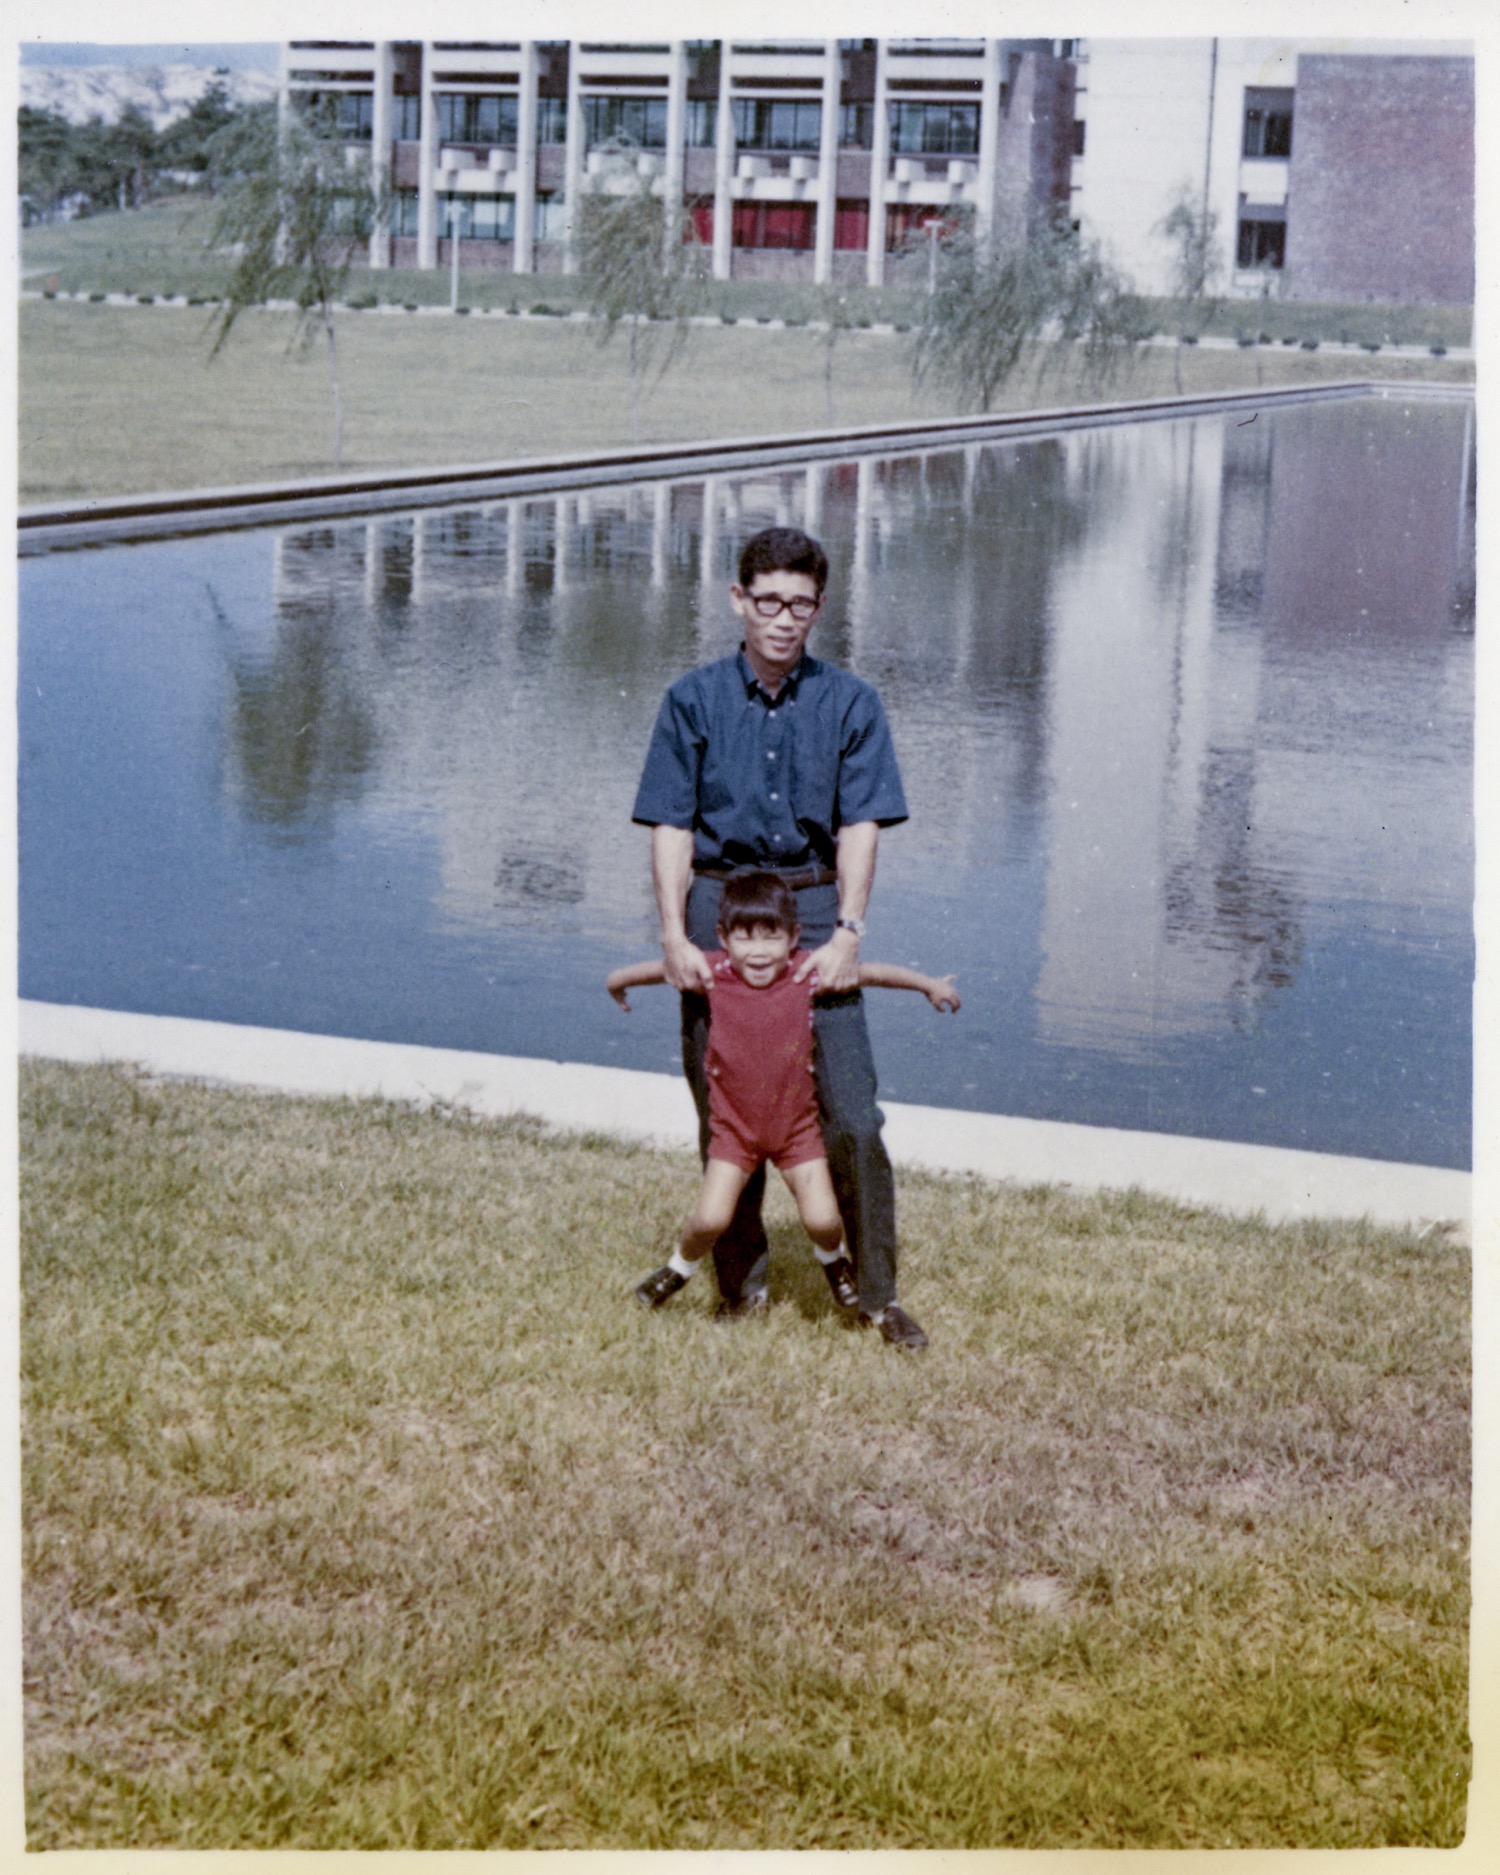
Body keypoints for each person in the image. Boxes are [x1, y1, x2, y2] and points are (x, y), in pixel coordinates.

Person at [630, 524, 931, 1350]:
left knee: (853, 1114)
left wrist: (849, 933)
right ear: (739, 600)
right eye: (768, 601)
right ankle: (741, 1287)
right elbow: (670, 824)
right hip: (716, 912)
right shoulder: (691, 700)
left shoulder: (851, 703)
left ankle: (876, 1295)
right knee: (726, 1105)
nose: (783, 619)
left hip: (814, 911)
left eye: (800, 604)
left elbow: (862, 824)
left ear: (819, 608)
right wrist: (672, 935)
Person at [607, 870, 959, 1315]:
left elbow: (870, 974)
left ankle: (833, 1262)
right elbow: (659, 971)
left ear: (793, 937)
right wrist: (616, 981)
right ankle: (679, 1267)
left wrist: (929, 985)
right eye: (744, 938)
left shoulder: (804, 974)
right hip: (734, 1133)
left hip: (796, 1132)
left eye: (771, 937)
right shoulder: (713, 973)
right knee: (710, 1218)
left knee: (823, 1220)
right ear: (723, 938)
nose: (758, 951)